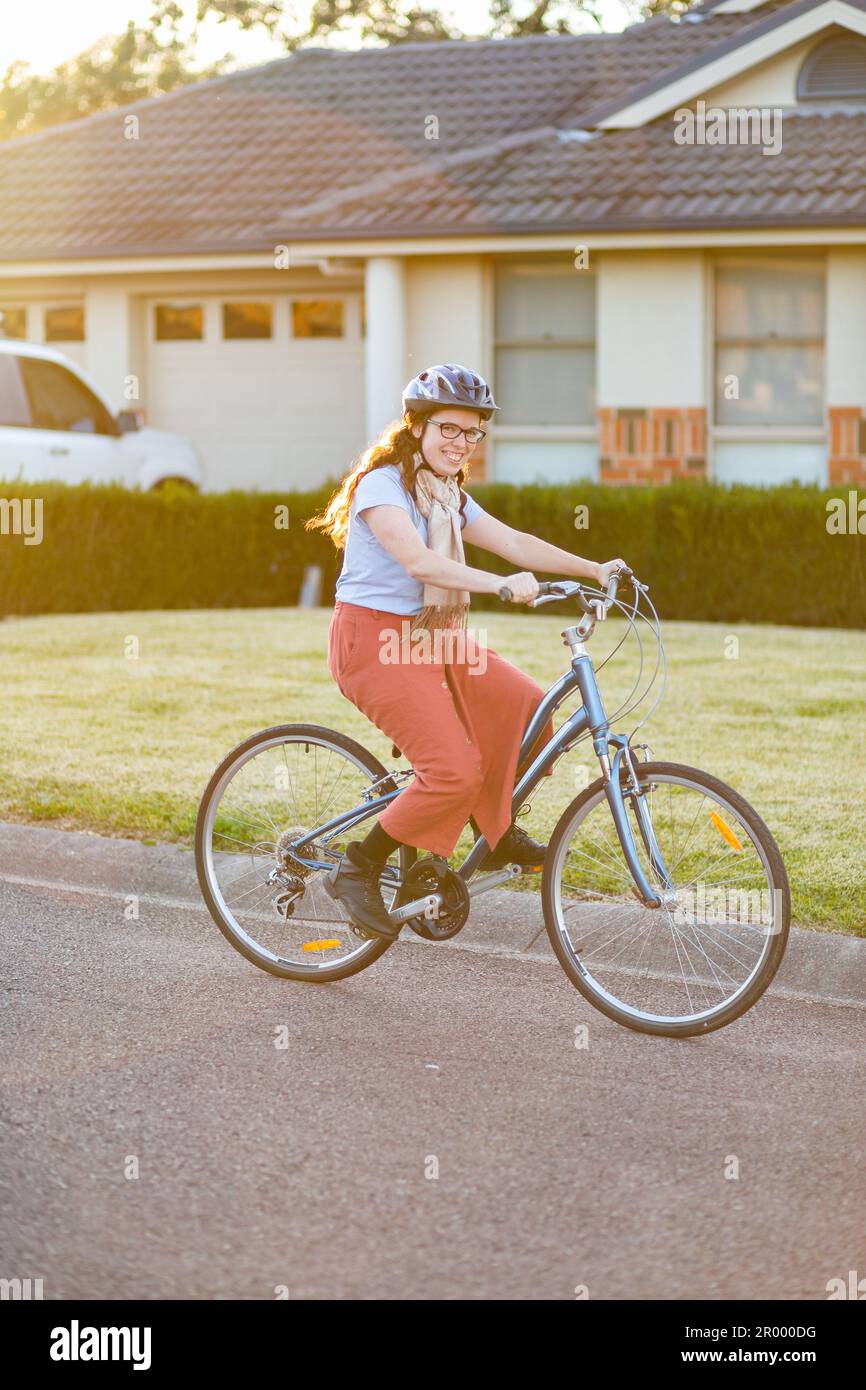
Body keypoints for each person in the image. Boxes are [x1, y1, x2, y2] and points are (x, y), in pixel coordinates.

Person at [306, 364, 627, 940]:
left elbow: (514, 542)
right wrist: (501, 585)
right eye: (448, 429)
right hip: (374, 642)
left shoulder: (446, 496)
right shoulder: (383, 486)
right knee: (452, 771)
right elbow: (420, 563)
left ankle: (494, 831)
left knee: (530, 710)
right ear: (418, 427)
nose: (460, 442)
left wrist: (591, 569)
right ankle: (359, 866)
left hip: (434, 637)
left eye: (472, 433)